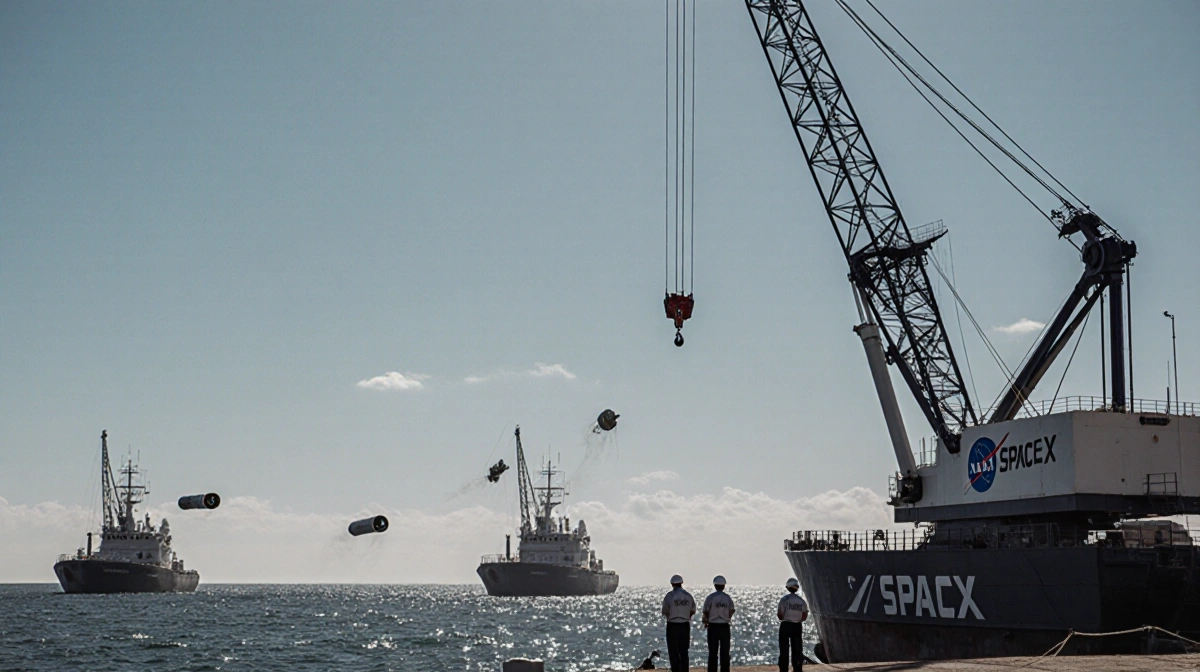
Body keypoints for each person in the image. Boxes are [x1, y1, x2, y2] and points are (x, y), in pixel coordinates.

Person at [661, 574, 695, 672]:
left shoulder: (669, 596)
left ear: (672, 584)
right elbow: (693, 610)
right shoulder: (688, 596)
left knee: (673, 651)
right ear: (681, 583)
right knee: (684, 651)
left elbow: (665, 611)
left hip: (672, 625)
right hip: (684, 625)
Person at [701, 575, 735, 672]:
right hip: (724, 626)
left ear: (715, 585)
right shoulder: (727, 598)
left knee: (713, 652)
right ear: (723, 586)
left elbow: (706, 611)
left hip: (713, 626)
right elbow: (732, 610)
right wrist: (727, 617)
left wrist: (706, 621)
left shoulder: (710, 598)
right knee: (725, 652)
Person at [777, 577, 809, 671]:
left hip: (786, 625)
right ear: (797, 588)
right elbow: (804, 615)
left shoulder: (784, 600)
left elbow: (780, 615)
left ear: (787, 587)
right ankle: (797, 667)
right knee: (797, 649)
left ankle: (784, 668)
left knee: (784, 649)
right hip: (797, 626)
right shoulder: (801, 601)